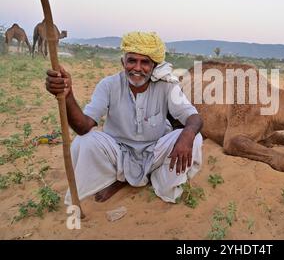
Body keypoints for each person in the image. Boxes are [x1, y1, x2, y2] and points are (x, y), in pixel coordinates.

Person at [45, 32, 203, 205]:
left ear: (154, 66)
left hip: (155, 153)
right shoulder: (109, 85)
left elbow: (193, 117)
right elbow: (83, 126)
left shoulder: (167, 86)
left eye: (145, 62)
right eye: (132, 61)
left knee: (194, 137)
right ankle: (120, 179)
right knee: (83, 141)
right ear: (123, 62)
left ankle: (154, 179)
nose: (137, 67)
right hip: (118, 153)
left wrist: (186, 137)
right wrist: (68, 95)